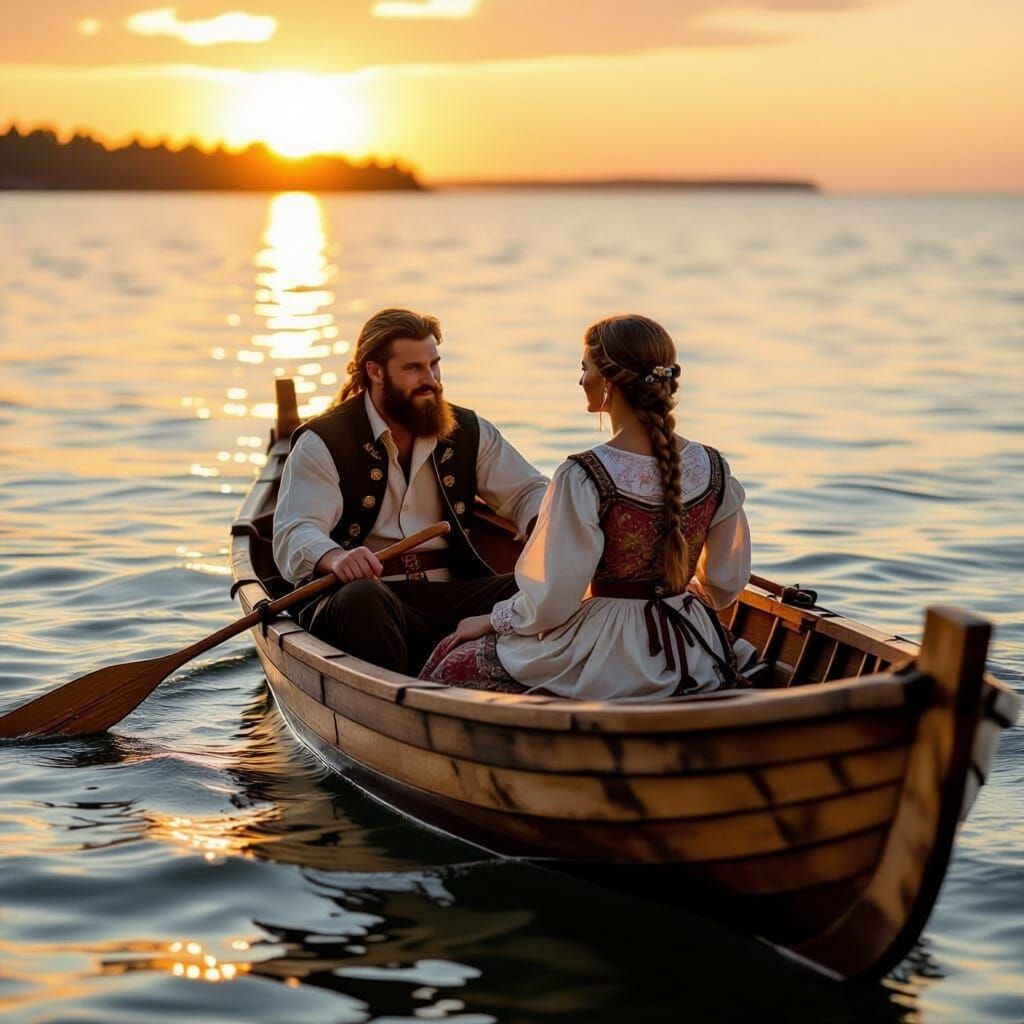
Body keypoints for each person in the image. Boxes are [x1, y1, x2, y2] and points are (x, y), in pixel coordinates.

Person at [420, 314, 751, 700]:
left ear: (608, 383)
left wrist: (493, 619)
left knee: (451, 662)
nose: (581, 381)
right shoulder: (713, 468)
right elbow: (726, 584)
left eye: (585, 369)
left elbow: (553, 602)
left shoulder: (583, 475)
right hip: (694, 648)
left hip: (610, 655)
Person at [273, 308, 549, 674]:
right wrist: (336, 557)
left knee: (536, 585)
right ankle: (393, 697)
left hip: (451, 594)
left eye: (434, 365)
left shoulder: (467, 430)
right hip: (365, 599)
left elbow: (529, 490)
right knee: (362, 598)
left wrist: (544, 522)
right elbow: (293, 531)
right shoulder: (324, 441)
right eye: (413, 368)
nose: (431, 380)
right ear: (375, 371)